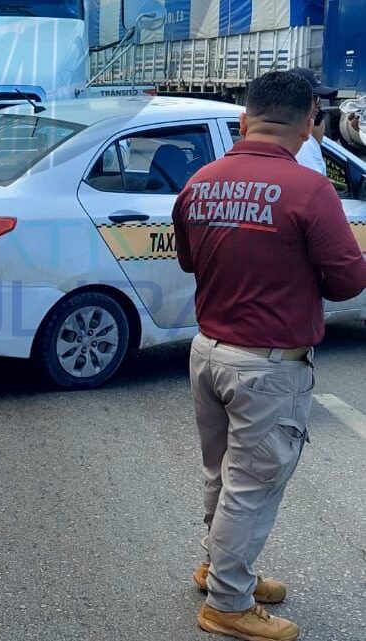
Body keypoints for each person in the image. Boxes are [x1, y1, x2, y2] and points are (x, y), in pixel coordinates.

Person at [172, 71, 366, 641]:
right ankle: (227, 604)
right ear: (311, 125)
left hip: (208, 352)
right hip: (267, 365)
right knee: (252, 486)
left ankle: (220, 570)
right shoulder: (310, 191)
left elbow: (188, 262)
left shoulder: (201, 181)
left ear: (243, 119)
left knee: (223, 476)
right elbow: (348, 283)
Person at [289, 67, 338, 174]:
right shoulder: (303, 144)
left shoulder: (288, 136)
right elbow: (316, 188)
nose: (320, 105)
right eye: (316, 98)